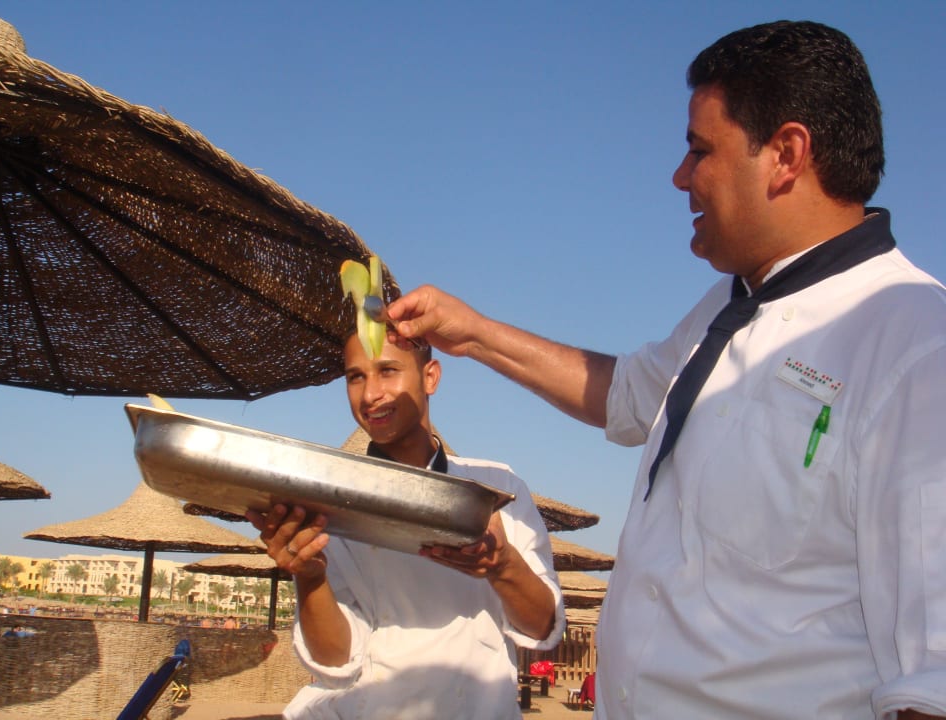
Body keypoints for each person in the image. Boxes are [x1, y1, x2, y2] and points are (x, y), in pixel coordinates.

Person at [384, 20, 946, 720]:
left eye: (699, 150)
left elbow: (933, 676)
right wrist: (473, 333)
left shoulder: (915, 343)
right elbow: (624, 395)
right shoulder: (730, 306)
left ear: (786, 154)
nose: (681, 177)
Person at [247, 333, 564, 719]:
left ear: (430, 377)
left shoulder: (498, 488)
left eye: (388, 371)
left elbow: (543, 628)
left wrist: (502, 566)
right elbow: (335, 661)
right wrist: (309, 578)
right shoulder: (330, 504)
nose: (370, 395)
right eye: (355, 377)